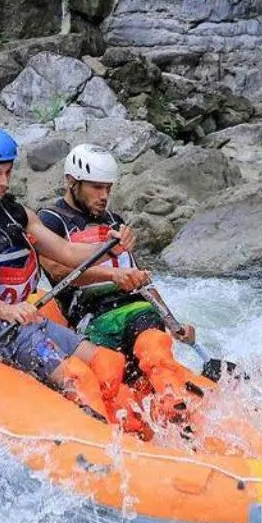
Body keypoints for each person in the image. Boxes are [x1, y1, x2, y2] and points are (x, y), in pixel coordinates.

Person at [0, 125, 136, 426]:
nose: (4, 182)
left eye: (8, 173)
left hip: (27, 317)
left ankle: (130, 425)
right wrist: (6, 310)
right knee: (77, 378)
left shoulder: (15, 213)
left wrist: (112, 247)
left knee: (108, 361)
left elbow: (66, 252)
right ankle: (103, 438)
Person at [37, 144, 203, 425]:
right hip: (90, 318)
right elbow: (56, 270)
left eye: (108, 189)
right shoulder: (51, 220)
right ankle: (134, 424)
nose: (104, 196)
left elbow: (139, 277)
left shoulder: (116, 222)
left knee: (152, 340)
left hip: (134, 309)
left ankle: (173, 406)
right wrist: (112, 276)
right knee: (116, 377)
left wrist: (173, 323)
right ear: (71, 182)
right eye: (96, 188)